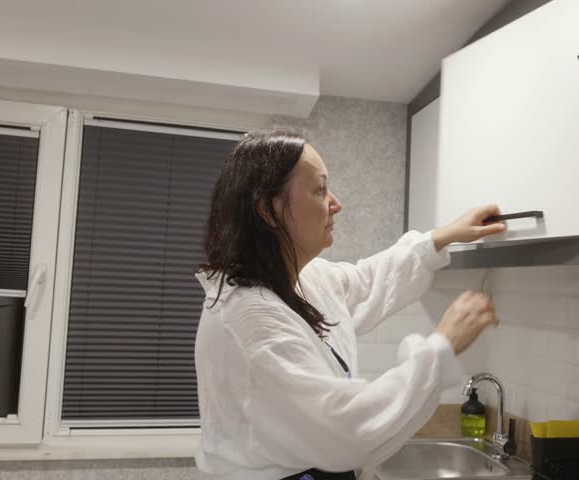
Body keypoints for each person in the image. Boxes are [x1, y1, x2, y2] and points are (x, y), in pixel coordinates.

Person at [193, 130, 506, 480]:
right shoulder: (251, 318)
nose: (335, 203)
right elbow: (347, 428)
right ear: (269, 209)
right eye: (320, 189)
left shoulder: (301, 281)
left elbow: (366, 280)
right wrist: (441, 346)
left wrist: (441, 237)